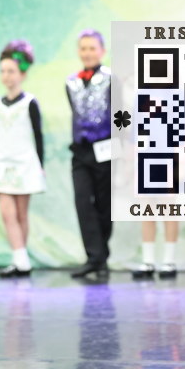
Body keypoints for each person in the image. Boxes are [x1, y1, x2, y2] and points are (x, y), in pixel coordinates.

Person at [0, 40, 45, 278]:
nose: (7, 76)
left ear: (22, 74)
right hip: (2, 162)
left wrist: (40, 165)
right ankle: (20, 259)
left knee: (20, 214)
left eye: (11, 71)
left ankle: (21, 259)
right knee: (7, 213)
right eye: (3, 71)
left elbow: (38, 136)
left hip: (24, 162)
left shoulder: (30, 103)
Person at [67, 30, 112, 283]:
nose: (87, 53)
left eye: (92, 48)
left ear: (102, 51)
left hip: (106, 148)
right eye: (83, 48)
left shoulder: (111, 79)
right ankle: (93, 256)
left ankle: (101, 257)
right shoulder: (71, 82)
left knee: (104, 205)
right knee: (82, 201)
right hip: (81, 150)